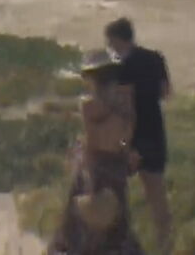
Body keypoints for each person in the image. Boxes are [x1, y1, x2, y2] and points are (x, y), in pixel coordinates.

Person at [50, 50, 145, 255]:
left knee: (70, 234)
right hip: (113, 168)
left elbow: (94, 133)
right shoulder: (124, 105)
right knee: (120, 232)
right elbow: (125, 137)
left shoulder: (89, 104)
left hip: (93, 169)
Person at [107, 18, 172, 254]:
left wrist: (125, 143)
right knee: (158, 198)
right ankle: (164, 247)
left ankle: (123, 246)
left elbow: (125, 107)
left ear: (116, 39)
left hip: (133, 138)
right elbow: (166, 93)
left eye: (110, 42)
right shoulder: (156, 58)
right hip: (155, 132)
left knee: (114, 196)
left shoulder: (121, 68)